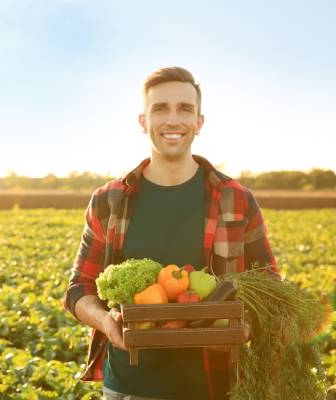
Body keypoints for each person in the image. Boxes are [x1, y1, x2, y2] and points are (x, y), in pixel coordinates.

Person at [62, 66, 278, 400]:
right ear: (143, 121)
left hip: (214, 388)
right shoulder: (110, 201)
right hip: (129, 387)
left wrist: (246, 327)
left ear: (199, 123)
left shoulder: (236, 200)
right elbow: (78, 290)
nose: (173, 119)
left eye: (185, 109)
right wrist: (106, 321)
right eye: (160, 108)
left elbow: (270, 290)